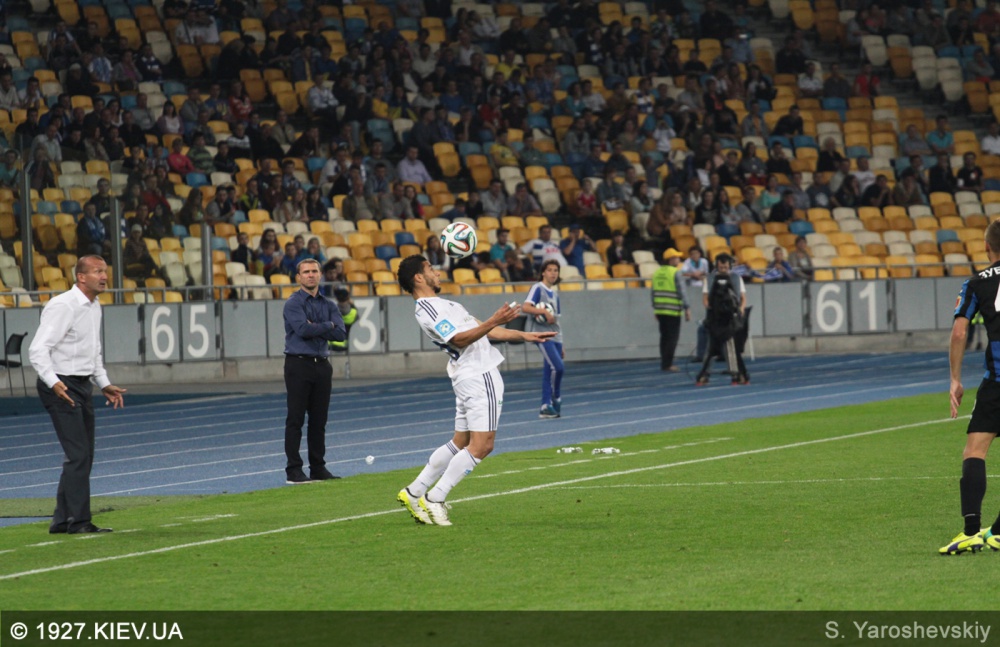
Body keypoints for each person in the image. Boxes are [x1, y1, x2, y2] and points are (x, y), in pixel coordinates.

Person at [395, 255, 555, 525]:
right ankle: (435, 498)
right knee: (482, 446)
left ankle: (414, 492)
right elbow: (459, 339)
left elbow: (485, 331)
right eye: (431, 269)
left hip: (468, 374)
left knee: (460, 442)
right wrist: (494, 319)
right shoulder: (428, 309)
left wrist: (524, 336)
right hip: (479, 375)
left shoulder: (445, 304)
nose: (437, 273)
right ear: (419, 278)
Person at [28, 256, 127, 534]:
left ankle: (62, 520)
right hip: (61, 386)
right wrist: (53, 382)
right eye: (97, 272)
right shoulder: (63, 305)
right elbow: (37, 349)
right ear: (81, 277)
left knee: (83, 455)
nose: (104, 276)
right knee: (79, 454)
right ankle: (79, 521)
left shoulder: (94, 306)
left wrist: (103, 383)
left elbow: (93, 351)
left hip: (82, 384)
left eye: (105, 271)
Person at [943, 220, 1000, 554]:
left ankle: (970, 532)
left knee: (975, 451)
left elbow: (959, 332)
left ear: (986, 246)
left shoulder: (976, 282)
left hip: (997, 382)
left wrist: (955, 378)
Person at [282, 259, 347, 484]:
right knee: (296, 419)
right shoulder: (293, 303)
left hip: (322, 365)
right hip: (298, 364)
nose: (310, 275)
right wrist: (327, 326)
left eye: (314, 271)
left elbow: (341, 334)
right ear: (298, 277)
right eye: (306, 272)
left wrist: (317, 327)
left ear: (320, 275)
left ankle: (318, 468)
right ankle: (293, 470)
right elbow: (302, 329)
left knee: (319, 421)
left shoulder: (329, 304)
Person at [695, 253, 749, 386]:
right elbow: (705, 298)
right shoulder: (710, 278)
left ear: (729, 265)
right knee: (710, 349)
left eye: (725, 266)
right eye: (721, 266)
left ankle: (736, 375)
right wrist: (710, 308)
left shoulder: (736, 278)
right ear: (716, 265)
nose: (723, 268)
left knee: (731, 349)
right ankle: (705, 375)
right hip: (715, 318)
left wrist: (740, 309)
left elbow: (742, 297)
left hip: (730, 319)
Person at [522, 260, 565, 418]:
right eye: (550, 270)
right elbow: (525, 307)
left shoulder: (555, 294)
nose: (553, 273)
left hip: (556, 336)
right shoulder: (538, 288)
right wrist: (543, 312)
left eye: (556, 270)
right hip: (541, 335)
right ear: (543, 272)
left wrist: (562, 344)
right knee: (558, 368)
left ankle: (545, 406)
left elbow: (557, 320)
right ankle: (556, 397)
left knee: (549, 370)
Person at [652, 248, 691, 372]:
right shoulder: (675, 273)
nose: (678, 260)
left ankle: (664, 362)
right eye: (676, 257)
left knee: (664, 337)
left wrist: (655, 309)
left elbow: (653, 292)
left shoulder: (657, 273)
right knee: (672, 338)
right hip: (673, 310)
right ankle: (668, 364)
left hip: (660, 310)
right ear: (671, 259)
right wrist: (687, 307)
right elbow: (682, 291)